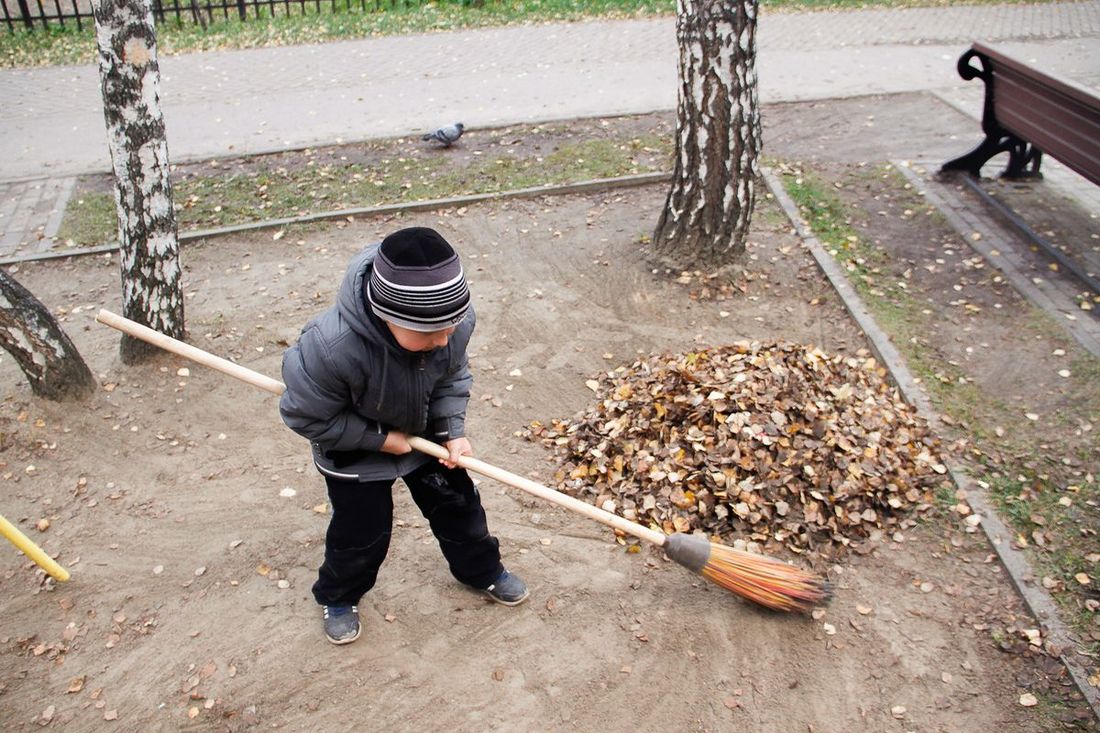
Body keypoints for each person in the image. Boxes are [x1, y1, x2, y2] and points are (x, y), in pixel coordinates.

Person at [279, 226, 528, 645]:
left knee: (460, 509)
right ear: (387, 316)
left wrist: (452, 431)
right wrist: (379, 440)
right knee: (362, 533)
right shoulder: (330, 347)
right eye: (430, 334)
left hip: (424, 434)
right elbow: (307, 419)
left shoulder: (451, 327)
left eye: (451, 328)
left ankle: (482, 571)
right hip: (353, 449)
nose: (445, 339)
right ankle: (339, 595)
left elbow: (452, 377)